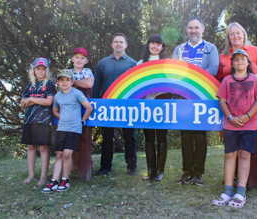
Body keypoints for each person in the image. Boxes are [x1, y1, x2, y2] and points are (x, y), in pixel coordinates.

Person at [216, 22, 257, 187]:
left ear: (243, 34)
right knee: (232, 151)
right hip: (231, 110)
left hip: (252, 107)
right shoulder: (223, 56)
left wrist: (255, 83)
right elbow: (219, 78)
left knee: (249, 148)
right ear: (228, 37)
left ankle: (249, 182)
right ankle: (231, 181)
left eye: (238, 33)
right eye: (231, 34)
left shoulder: (255, 51)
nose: (235, 36)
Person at [212, 49, 257, 208]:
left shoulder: (256, 79)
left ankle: (240, 193)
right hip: (230, 125)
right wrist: (230, 118)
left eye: (243, 59)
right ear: (232, 64)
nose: (239, 61)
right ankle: (228, 191)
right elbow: (222, 102)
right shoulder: (227, 80)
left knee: (244, 155)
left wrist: (247, 116)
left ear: (248, 63)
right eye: (236, 59)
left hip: (250, 125)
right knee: (230, 156)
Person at [172, 16, 219, 185]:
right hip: (183, 98)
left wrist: (193, 80)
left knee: (200, 136)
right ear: (186, 30)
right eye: (190, 28)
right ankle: (187, 172)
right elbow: (174, 71)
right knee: (185, 137)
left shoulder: (210, 48)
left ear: (203, 29)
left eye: (196, 27)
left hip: (202, 98)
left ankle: (198, 173)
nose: (193, 30)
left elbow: (213, 69)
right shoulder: (179, 49)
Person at [93, 33, 138, 175]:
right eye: (116, 42)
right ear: (112, 45)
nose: (118, 44)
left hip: (127, 106)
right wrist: (95, 103)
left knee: (129, 136)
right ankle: (106, 166)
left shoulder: (133, 64)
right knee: (107, 137)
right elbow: (96, 85)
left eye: (121, 42)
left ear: (126, 45)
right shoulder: (103, 63)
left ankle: (131, 166)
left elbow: (136, 86)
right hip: (106, 106)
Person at [42, 69, 93, 192]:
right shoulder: (57, 96)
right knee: (59, 154)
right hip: (61, 128)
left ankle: (65, 180)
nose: (64, 82)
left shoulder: (77, 93)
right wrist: (63, 117)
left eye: (67, 80)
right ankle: (54, 181)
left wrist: (82, 121)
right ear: (58, 82)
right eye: (62, 80)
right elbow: (55, 111)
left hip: (74, 129)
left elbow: (89, 108)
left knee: (67, 154)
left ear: (71, 81)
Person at [138, 34, 170, 181]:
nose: (155, 46)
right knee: (149, 137)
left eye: (158, 44)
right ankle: (151, 171)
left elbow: (172, 82)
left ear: (162, 47)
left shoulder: (168, 62)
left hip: (162, 101)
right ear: (148, 45)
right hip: (146, 103)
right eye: (153, 43)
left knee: (162, 135)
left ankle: (160, 171)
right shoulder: (140, 63)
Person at [21, 58, 56, 186]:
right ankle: (31, 175)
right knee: (31, 147)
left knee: (43, 147)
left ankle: (43, 177)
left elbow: (48, 102)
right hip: (29, 120)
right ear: (34, 70)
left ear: (47, 70)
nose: (40, 71)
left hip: (43, 120)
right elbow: (23, 103)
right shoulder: (29, 85)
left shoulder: (50, 84)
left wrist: (31, 99)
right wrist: (35, 99)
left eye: (43, 69)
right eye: (38, 69)